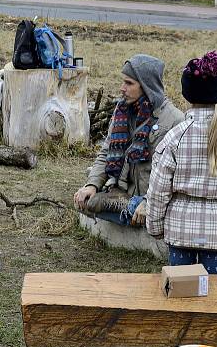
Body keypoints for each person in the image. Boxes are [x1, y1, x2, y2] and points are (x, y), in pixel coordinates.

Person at [145, 50, 217, 274]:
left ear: (187, 93)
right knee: (211, 292)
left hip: (179, 230)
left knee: (180, 289)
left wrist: (154, 226)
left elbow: (158, 189)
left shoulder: (175, 137)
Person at [73, 54, 184, 226]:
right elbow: (107, 151)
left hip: (152, 197)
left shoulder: (174, 120)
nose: (122, 88)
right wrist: (92, 185)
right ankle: (123, 206)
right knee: (87, 200)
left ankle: (134, 210)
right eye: (123, 81)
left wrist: (149, 201)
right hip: (123, 190)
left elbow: (177, 175)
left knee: (97, 205)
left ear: (147, 87)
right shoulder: (122, 110)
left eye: (129, 83)